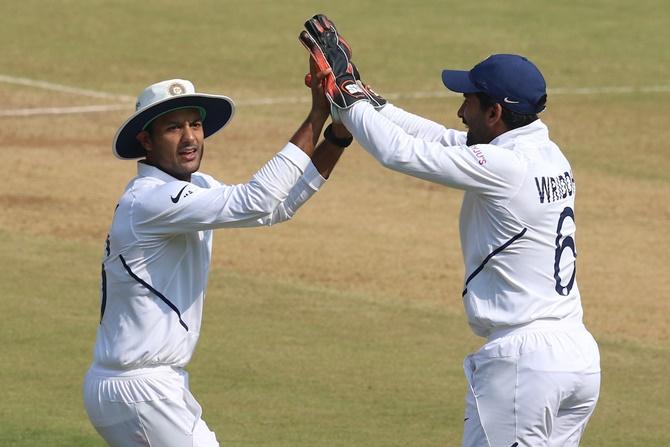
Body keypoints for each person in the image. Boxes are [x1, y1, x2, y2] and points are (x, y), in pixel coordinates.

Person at [302, 18, 600, 446]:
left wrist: (345, 98)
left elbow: (399, 153)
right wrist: (361, 96)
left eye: (469, 103)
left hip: (525, 362)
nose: (461, 112)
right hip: (576, 358)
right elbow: (437, 139)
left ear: (495, 113)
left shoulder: (506, 167)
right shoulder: (547, 154)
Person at [82, 59, 351, 447]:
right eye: (173, 127)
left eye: (195, 124)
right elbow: (256, 200)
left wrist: (337, 138)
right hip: (142, 387)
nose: (189, 137)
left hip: (135, 383)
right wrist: (317, 114)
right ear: (146, 140)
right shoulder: (151, 200)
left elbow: (277, 208)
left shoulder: (193, 189)